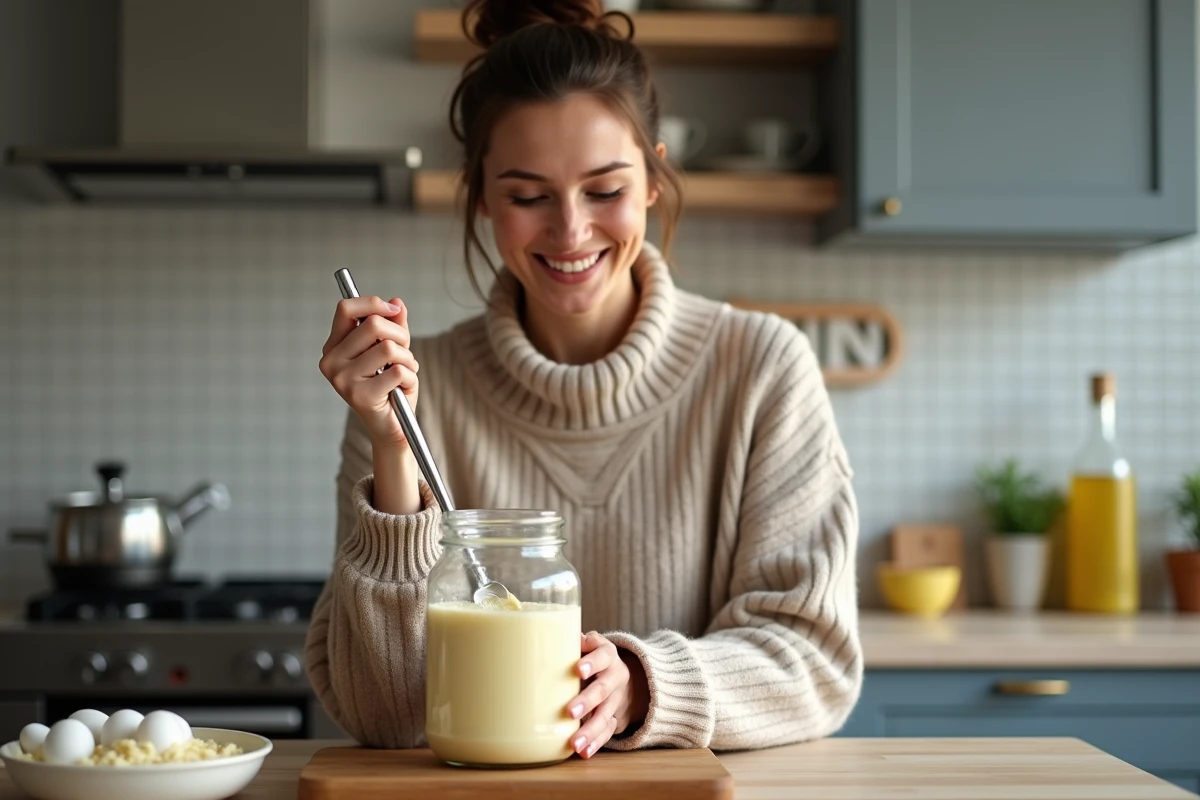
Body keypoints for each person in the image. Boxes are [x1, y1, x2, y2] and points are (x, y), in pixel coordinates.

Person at [307, 0, 862, 758]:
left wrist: (644, 684)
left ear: (654, 178)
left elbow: (812, 657)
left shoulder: (763, 368)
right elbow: (386, 717)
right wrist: (395, 456)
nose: (571, 231)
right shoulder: (402, 397)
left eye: (605, 190)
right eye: (528, 196)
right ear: (481, 196)